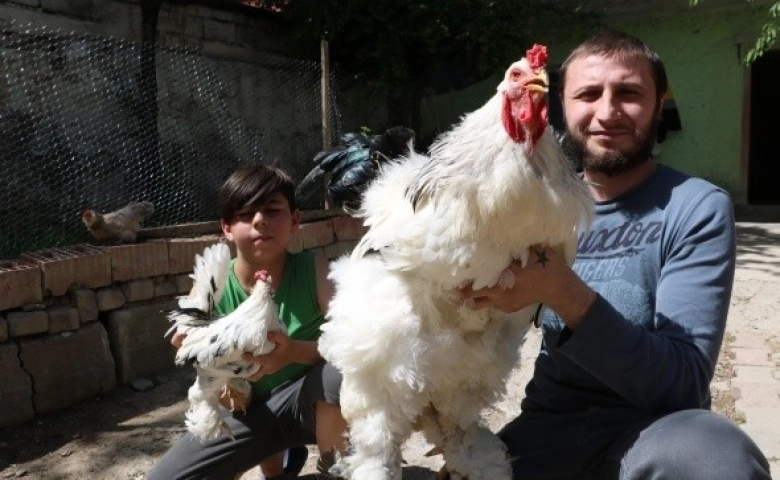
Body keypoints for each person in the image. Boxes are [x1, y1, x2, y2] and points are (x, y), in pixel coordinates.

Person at [460, 30, 772, 479]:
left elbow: (681, 385)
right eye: (588, 94)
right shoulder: (534, 211)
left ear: (657, 103)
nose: (607, 112)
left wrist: (561, 290)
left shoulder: (694, 207)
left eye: (629, 93)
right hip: (547, 430)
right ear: (560, 108)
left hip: (653, 433)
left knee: (716, 457)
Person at [147, 164, 347, 480]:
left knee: (339, 373)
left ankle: (336, 471)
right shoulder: (213, 281)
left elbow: (356, 342)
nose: (260, 221)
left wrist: (293, 352)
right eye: (245, 214)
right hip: (243, 410)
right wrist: (198, 354)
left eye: (272, 210)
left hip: (305, 404)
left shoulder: (315, 269)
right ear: (226, 227)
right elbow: (188, 339)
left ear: (295, 220)